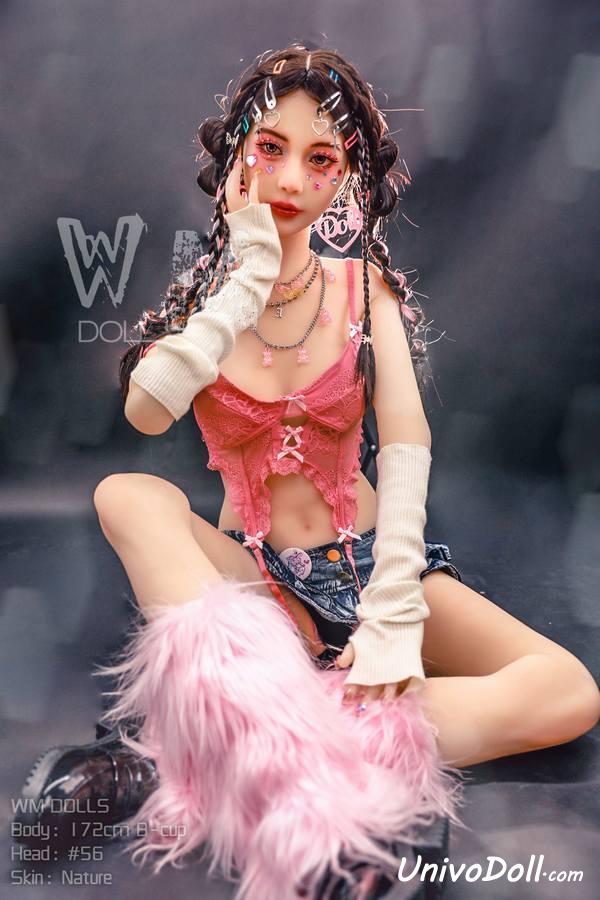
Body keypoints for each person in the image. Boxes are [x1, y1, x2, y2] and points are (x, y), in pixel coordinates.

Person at [14, 44, 600, 900]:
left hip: (367, 566)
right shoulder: (205, 303)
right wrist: (244, 280)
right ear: (236, 161)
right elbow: (145, 411)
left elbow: (407, 443)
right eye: (270, 148)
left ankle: (233, 740)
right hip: (256, 587)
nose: (291, 177)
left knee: (568, 692)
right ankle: (315, 740)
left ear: (344, 180)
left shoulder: (364, 290)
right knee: (125, 494)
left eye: (319, 158)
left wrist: (395, 608)